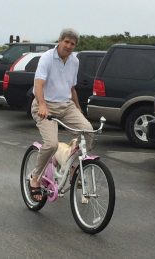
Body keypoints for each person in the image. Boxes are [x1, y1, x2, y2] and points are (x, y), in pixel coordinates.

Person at [29, 28, 93, 201]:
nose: (69, 46)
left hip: (66, 105)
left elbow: (71, 87)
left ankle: (73, 170)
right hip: (45, 105)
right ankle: (35, 178)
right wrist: (42, 105)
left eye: (72, 44)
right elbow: (38, 84)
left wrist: (78, 108)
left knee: (88, 132)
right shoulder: (47, 58)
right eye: (66, 42)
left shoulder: (74, 61)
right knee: (51, 144)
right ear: (59, 41)